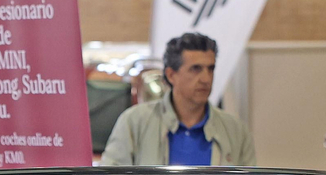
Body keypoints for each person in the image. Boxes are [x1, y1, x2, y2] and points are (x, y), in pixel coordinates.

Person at [101, 32, 257, 168]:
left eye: (210, 69)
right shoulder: (134, 122)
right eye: (196, 69)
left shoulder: (236, 131)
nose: (206, 78)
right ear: (170, 75)